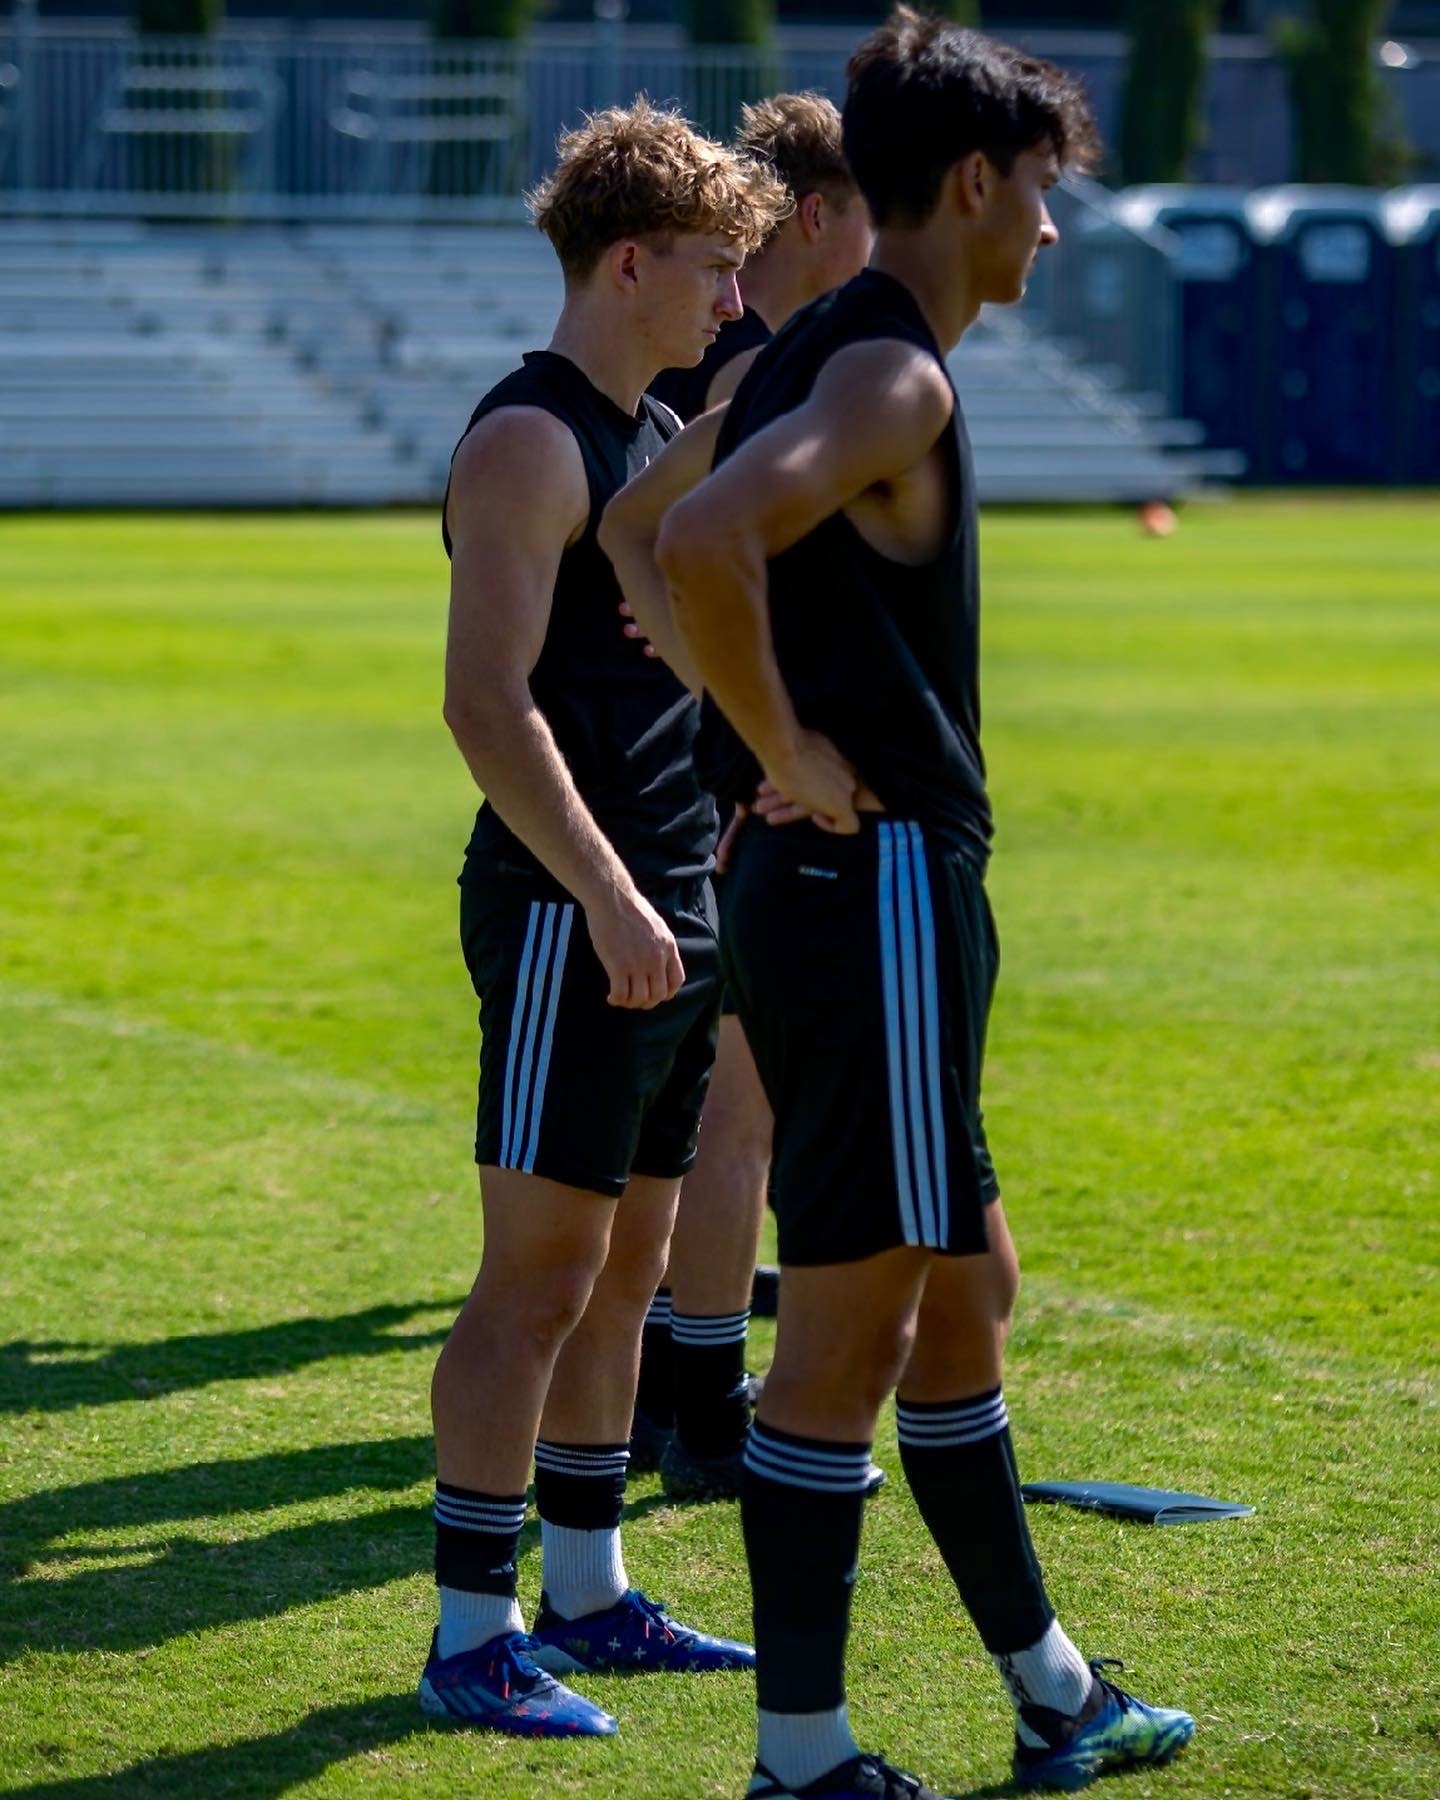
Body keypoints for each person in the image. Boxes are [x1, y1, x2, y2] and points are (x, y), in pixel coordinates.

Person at [606, 13, 1197, 1795]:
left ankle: (1052, 1691)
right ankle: (805, 1761)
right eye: (1040, 195)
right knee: (856, 1330)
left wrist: (767, 759)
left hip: (841, 896)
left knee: (968, 1288)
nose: (1051, 231)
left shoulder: (820, 349)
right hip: (876, 895)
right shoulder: (893, 375)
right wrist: (783, 746)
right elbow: (694, 550)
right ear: (970, 182)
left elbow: (650, 531)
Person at [421, 99, 787, 1739]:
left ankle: (589, 1590)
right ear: (627, 261)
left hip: (673, 907)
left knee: (629, 1268)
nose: (731, 305)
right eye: (715, 273)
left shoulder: (648, 441)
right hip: (582, 912)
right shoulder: (531, 439)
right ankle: (467, 1635)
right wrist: (618, 894)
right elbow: (489, 709)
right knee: (538, 1281)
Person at [628, 92, 876, 1504]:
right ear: (823, 214)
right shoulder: (764, 365)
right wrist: (749, 736)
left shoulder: (725, 347)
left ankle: (672, 1384)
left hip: (693, 772)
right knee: (740, 1113)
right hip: (724, 785)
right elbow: (643, 537)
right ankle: (708, 1417)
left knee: (706, 1116)